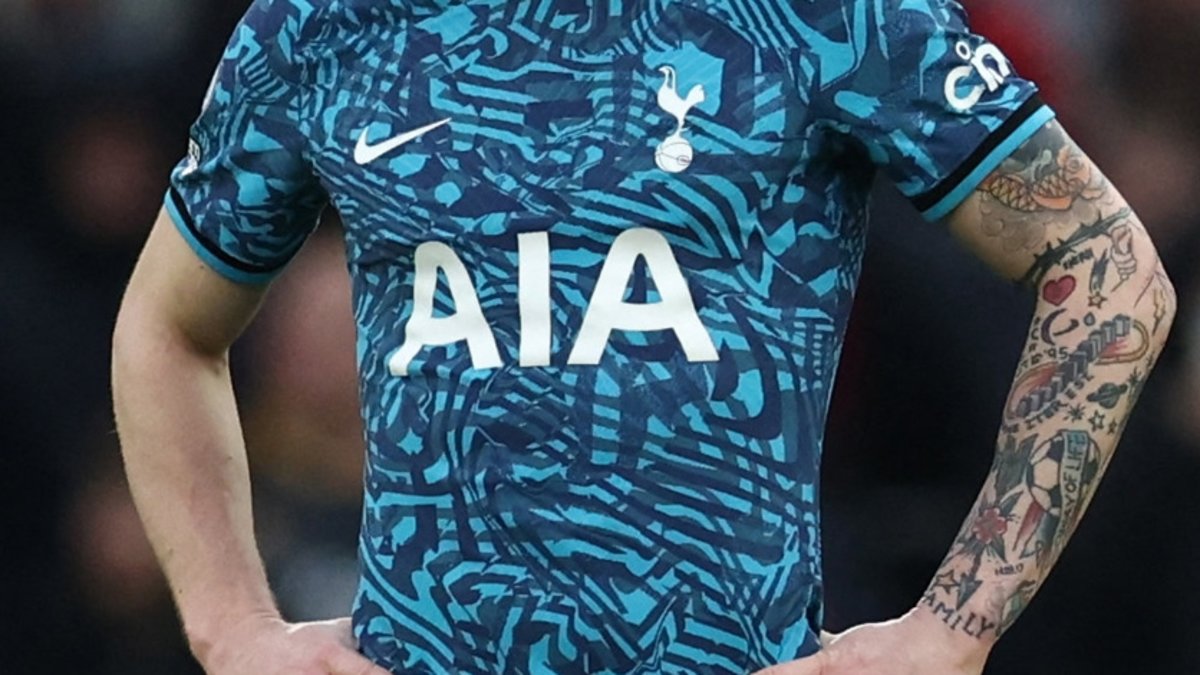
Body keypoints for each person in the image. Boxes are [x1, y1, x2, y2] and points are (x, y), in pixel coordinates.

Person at [111, 1, 1175, 673]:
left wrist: (952, 627)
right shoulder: (323, 26)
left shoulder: (824, 16)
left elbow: (1107, 269)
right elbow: (166, 325)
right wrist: (230, 627)